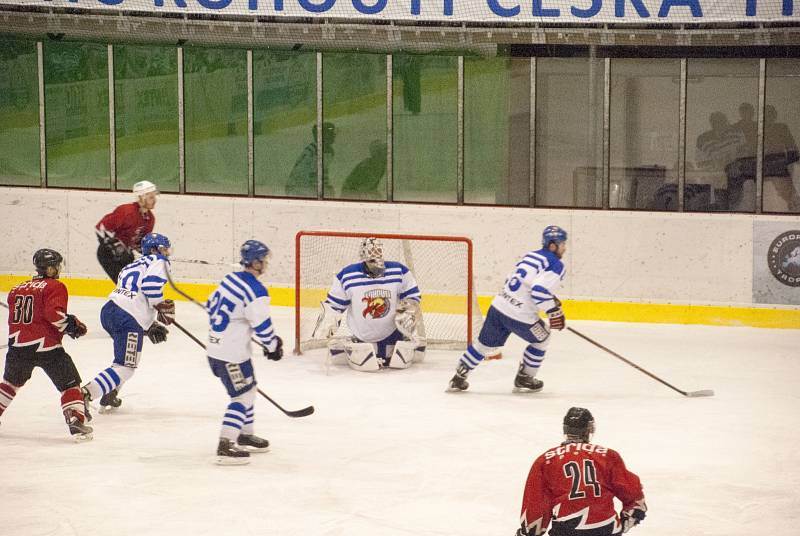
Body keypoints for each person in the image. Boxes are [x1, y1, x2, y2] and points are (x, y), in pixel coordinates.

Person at [447, 225, 568, 393]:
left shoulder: (531, 255)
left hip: (499, 306)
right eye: (562, 244)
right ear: (553, 245)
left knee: (482, 345)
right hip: (520, 315)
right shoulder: (556, 264)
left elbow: (514, 280)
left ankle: (458, 378)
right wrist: (553, 311)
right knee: (543, 338)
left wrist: (550, 301)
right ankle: (525, 377)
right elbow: (539, 291)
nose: (564, 248)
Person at [206, 240, 283, 465]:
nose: (266, 263)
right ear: (256, 262)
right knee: (242, 396)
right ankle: (226, 444)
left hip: (217, 349)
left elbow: (211, 304)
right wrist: (272, 346)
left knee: (250, 388)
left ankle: (244, 433)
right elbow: (262, 326)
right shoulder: (256, 290)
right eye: (264, 260)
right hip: (231, 355)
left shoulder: (229, 279)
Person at [0, 249, 92, 441]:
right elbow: (54, 315)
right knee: (70, 384)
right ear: (50, 268)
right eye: (57, 265)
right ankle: (75, 418)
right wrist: (72, 325)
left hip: (17, 348)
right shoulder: (55, 286)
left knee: (10, 384)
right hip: (47, 347)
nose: (58, 269)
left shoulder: (17, 289)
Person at [81, 232, 175, 413]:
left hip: (110, 311)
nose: (167, 253)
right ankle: (84, 395)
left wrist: (150, 325)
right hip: (127, 318)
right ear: (154, 249)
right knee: (126, 367)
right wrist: (159, 305)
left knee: (126, 357)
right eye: (164, 248)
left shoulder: (132, 265)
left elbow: (134, 294)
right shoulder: (160, 261)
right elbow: (150, 286)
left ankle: (111, 392)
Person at [516, 407, 647, 536]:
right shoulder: (608, 456)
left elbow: (535, 507)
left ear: (565, 430)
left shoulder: (546, 460)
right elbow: (634, 496)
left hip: (567, 530)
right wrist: (626, 521)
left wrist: (527, 532)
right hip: (606, 528)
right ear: (588, 430)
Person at [314, 237, 425, 372]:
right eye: (372, 260)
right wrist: (329, 319)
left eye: (379, 257)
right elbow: (334, 305)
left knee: (399, 362)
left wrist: (409, 309)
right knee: (366, 364)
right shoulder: (348, 275)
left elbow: (413, 296)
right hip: (362, 338)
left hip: (392, 335)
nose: (377, 264)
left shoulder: (398, 270)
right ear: (364, 259)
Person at [95, 180, 158, 282]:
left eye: (154, 196)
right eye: (151, 197)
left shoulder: (150, 219)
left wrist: (156, 251)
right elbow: (100, 228)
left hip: (126, 255)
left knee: (137, 284)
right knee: (126, 284)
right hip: (107, 255)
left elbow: (140, 245)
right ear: (141, 198)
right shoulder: (126, 211)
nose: (154, 200)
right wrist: (115, 246)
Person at [286, 123, 336, 197]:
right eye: (331, 133)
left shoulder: (327, 151)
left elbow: (321, 173)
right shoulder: (313, 151)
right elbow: (301, 175)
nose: (334, 135)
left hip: (303, 188)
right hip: (298, 189)